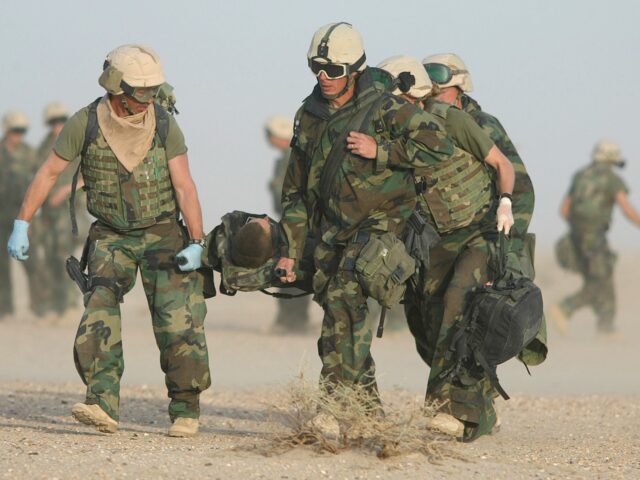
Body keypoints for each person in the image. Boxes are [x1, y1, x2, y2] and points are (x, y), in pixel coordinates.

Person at [7, 44, 210, 437]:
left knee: (178, 321)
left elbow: (185, 185)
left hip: (162, 232)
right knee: (99, 309)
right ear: (116, 87)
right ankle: (101, 403)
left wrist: (196, 242)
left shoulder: (164, 124)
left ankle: (186, 407)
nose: (147, 100)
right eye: (140, 92)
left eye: (153, 91)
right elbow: (49, 173)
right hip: (111, 234)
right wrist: (22, 222)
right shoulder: (85, 123)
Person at [275, 23, 457, 409]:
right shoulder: (307, 116)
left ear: (355, 70)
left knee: (344, 300)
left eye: (334, 70)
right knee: (343, 321)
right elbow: (294, 190)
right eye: (317, 68)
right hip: (330, 231)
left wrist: (383, 151)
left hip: (380, 226)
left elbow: (441, 147)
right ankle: (367, 413)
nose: (324, 77)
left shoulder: (386, 108)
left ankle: (330, 408)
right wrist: (290, 249)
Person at [378, 55, 516, 440]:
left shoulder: (452, 120)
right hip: (433, 244)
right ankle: (481, 404)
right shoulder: (392, 136)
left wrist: (505, 201)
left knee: (459, 302)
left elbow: (502, 164)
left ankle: (442, 407)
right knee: (431, 323)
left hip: (477, 234)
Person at [551, 140, 640, 336]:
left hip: (577, 236)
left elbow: (564, 209)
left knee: (604, 277)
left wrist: (579, 229)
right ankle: (565, 308)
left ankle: (606, 327)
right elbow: (626, 208)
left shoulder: (580, 175)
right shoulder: (611, 179)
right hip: (595, 238)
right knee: (599, 282)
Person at [36, 102, 90, 318]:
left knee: (66, 257)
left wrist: (67, 190)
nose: (57, 126)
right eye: (53, 122)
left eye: (61, 121)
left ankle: (68, 305)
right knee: (49, 259)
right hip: (48, 214)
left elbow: (88, 175)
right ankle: (54, 307)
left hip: (71, 213)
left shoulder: (76, 144)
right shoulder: (42, 149)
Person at [265, 116, 312, 333]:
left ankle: (293, 321)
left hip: (295, 225)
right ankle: (291, 319)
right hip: (291, 223)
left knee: (290, 271)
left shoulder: (292, 158)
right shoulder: (288, 157)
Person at [0, 111, 47, 319]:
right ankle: (5, 309)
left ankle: (39, 306)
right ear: (7, 130)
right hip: (1, 213)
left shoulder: (30, 153)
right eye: (15, 131)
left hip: (23, 214)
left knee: (32, 261)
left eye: (22, 131)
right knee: (2, 266)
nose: (19, 135)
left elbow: (42, 178)